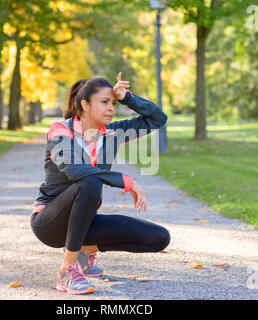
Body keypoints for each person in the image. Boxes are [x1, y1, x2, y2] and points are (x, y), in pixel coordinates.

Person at [30, 72, 170, 295]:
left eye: (113, 103)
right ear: (85, 105)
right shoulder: (60, 130)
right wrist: (125, 181)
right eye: (104, 102)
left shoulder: (113, 133)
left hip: (83, 222)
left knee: (159, 238)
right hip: (49, 222)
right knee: (89, 182)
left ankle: (85, 250)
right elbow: (75, 170)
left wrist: (127, 98)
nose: (111, 108)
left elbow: (158, 119)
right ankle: (68, 270)